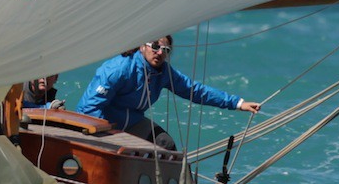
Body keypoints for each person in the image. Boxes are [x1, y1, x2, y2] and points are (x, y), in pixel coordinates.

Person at [76, 35, 261, 149]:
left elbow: (195, 90)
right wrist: (108, 136)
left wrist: (237, 103)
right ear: (142, 46)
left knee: (166, 145)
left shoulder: (164, 73)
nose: (160, 52)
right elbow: (89, 108)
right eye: (155, 46)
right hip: (103, 125)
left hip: (132, 123)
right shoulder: (118, 69)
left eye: (165, 49)